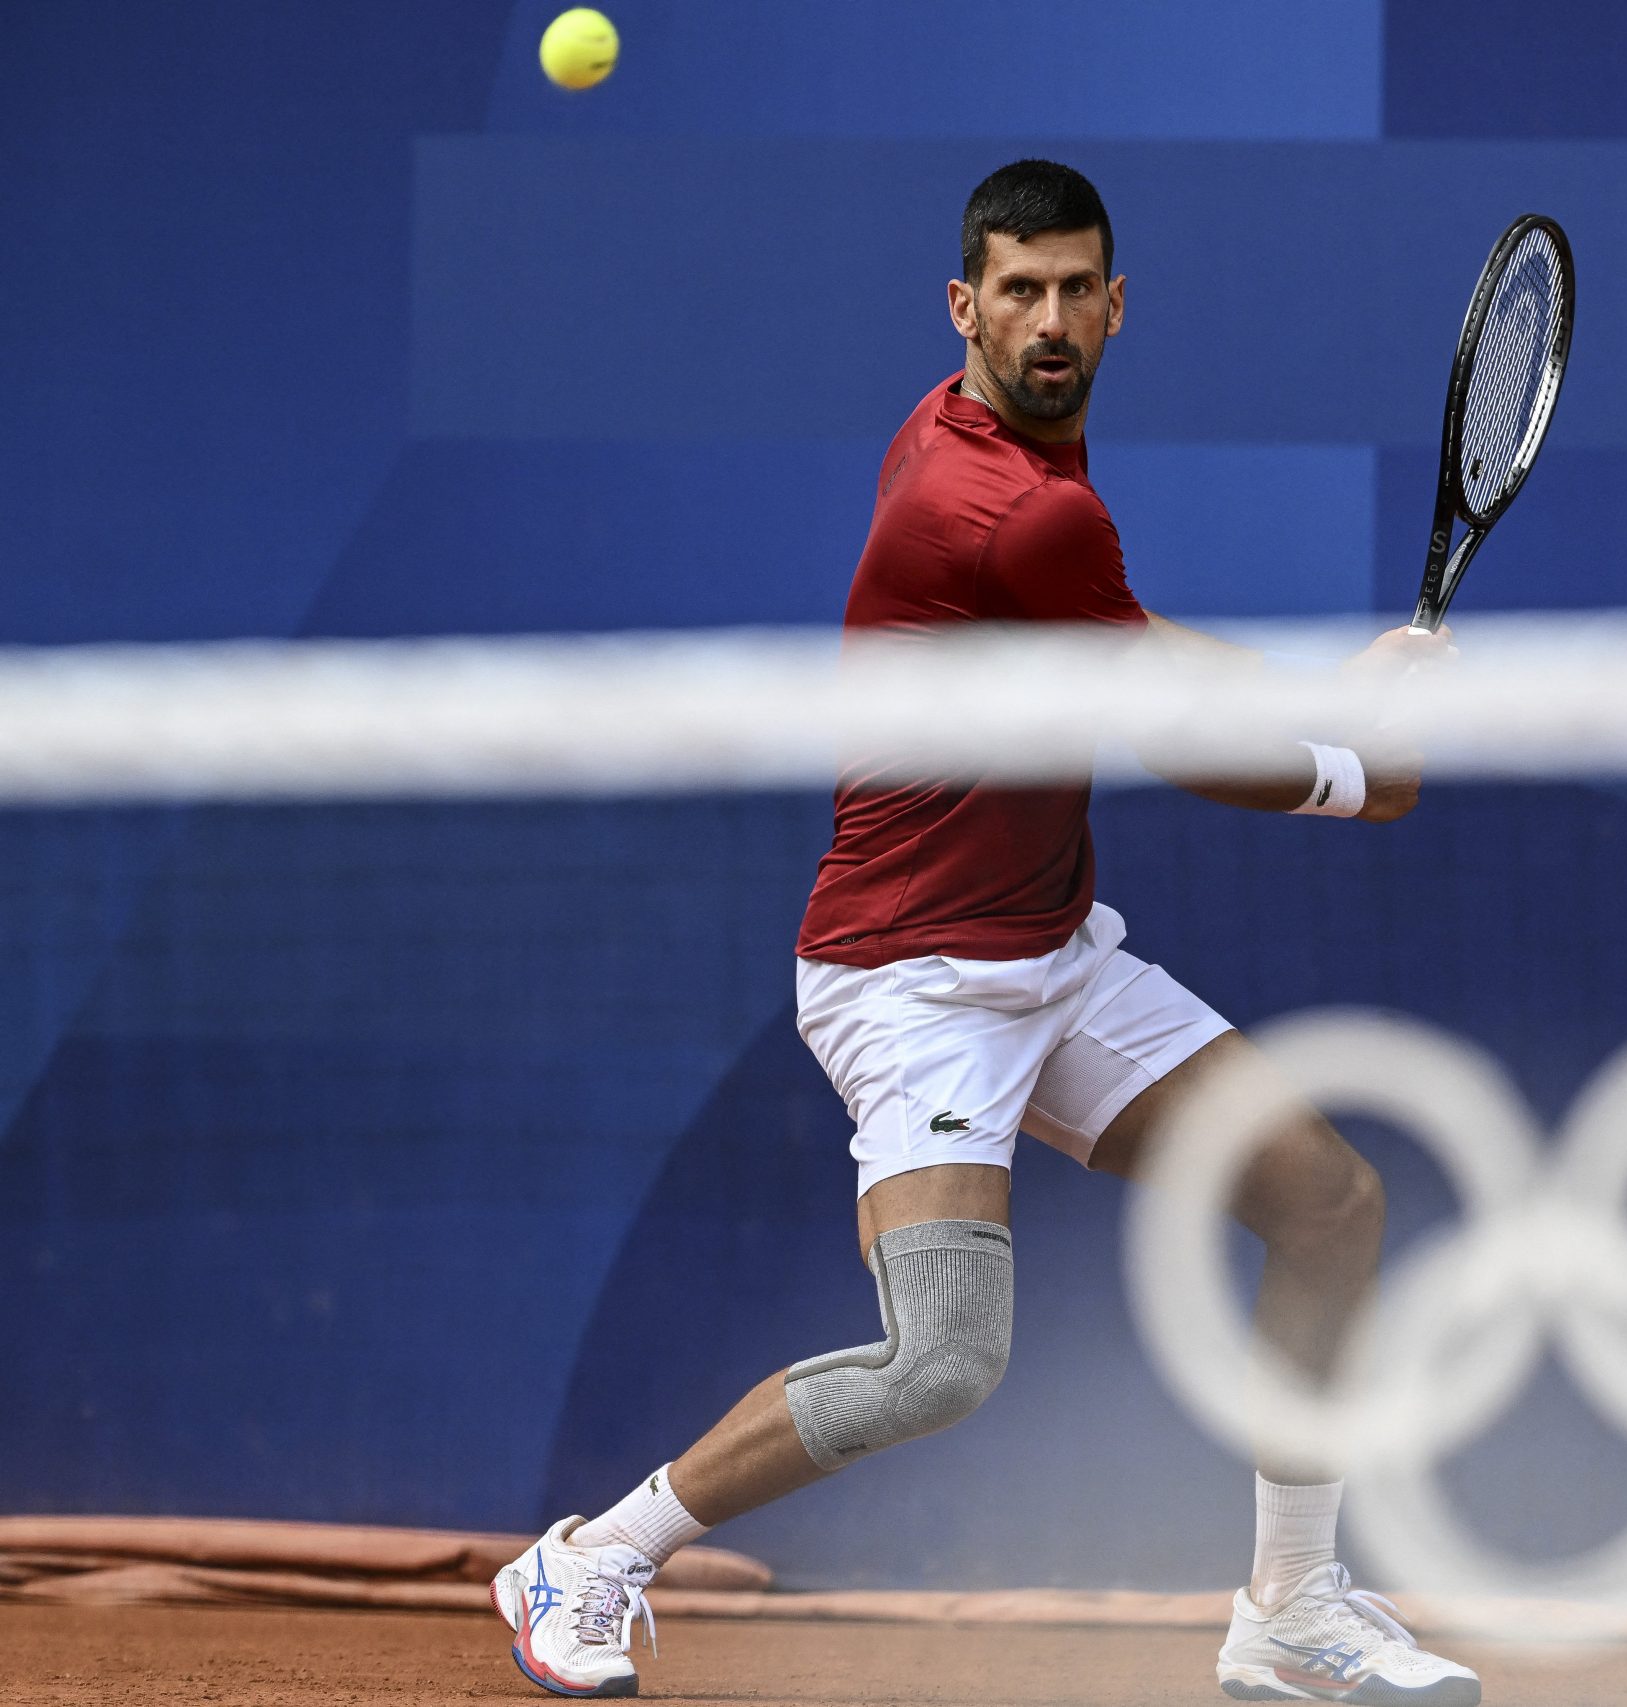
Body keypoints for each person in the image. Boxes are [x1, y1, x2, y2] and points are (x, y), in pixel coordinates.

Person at [490, 159, 1479, 1705]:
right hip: (914, 982)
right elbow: (1160, 726)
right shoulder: (1005, 508)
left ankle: (1291, 1605)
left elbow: (1134, 643)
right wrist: (1355, 781)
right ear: (966, 305)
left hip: (1050, 950)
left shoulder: (1007, 469)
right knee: (943, 1362)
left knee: (1329, 1206)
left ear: (1117, 302)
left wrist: (1321, 696)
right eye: (1019, 291)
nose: (1052, 319)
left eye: (1079, 288)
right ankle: (591, 1557)